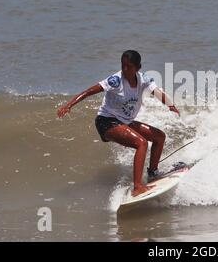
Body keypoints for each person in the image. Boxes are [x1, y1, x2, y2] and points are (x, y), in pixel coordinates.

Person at [57, 50, 179, 196]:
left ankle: (152, 173)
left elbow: (157, 92)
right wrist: (69, 105)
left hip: (124, 121)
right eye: (123, 66)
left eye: (129, 67)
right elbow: (89, 91)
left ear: (138, 67)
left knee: (159, 137)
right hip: (106, 122)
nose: (125, 69)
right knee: (142, 143)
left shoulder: (143, 79)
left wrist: (171, 105)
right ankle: (137, 187)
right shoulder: (115, 80)